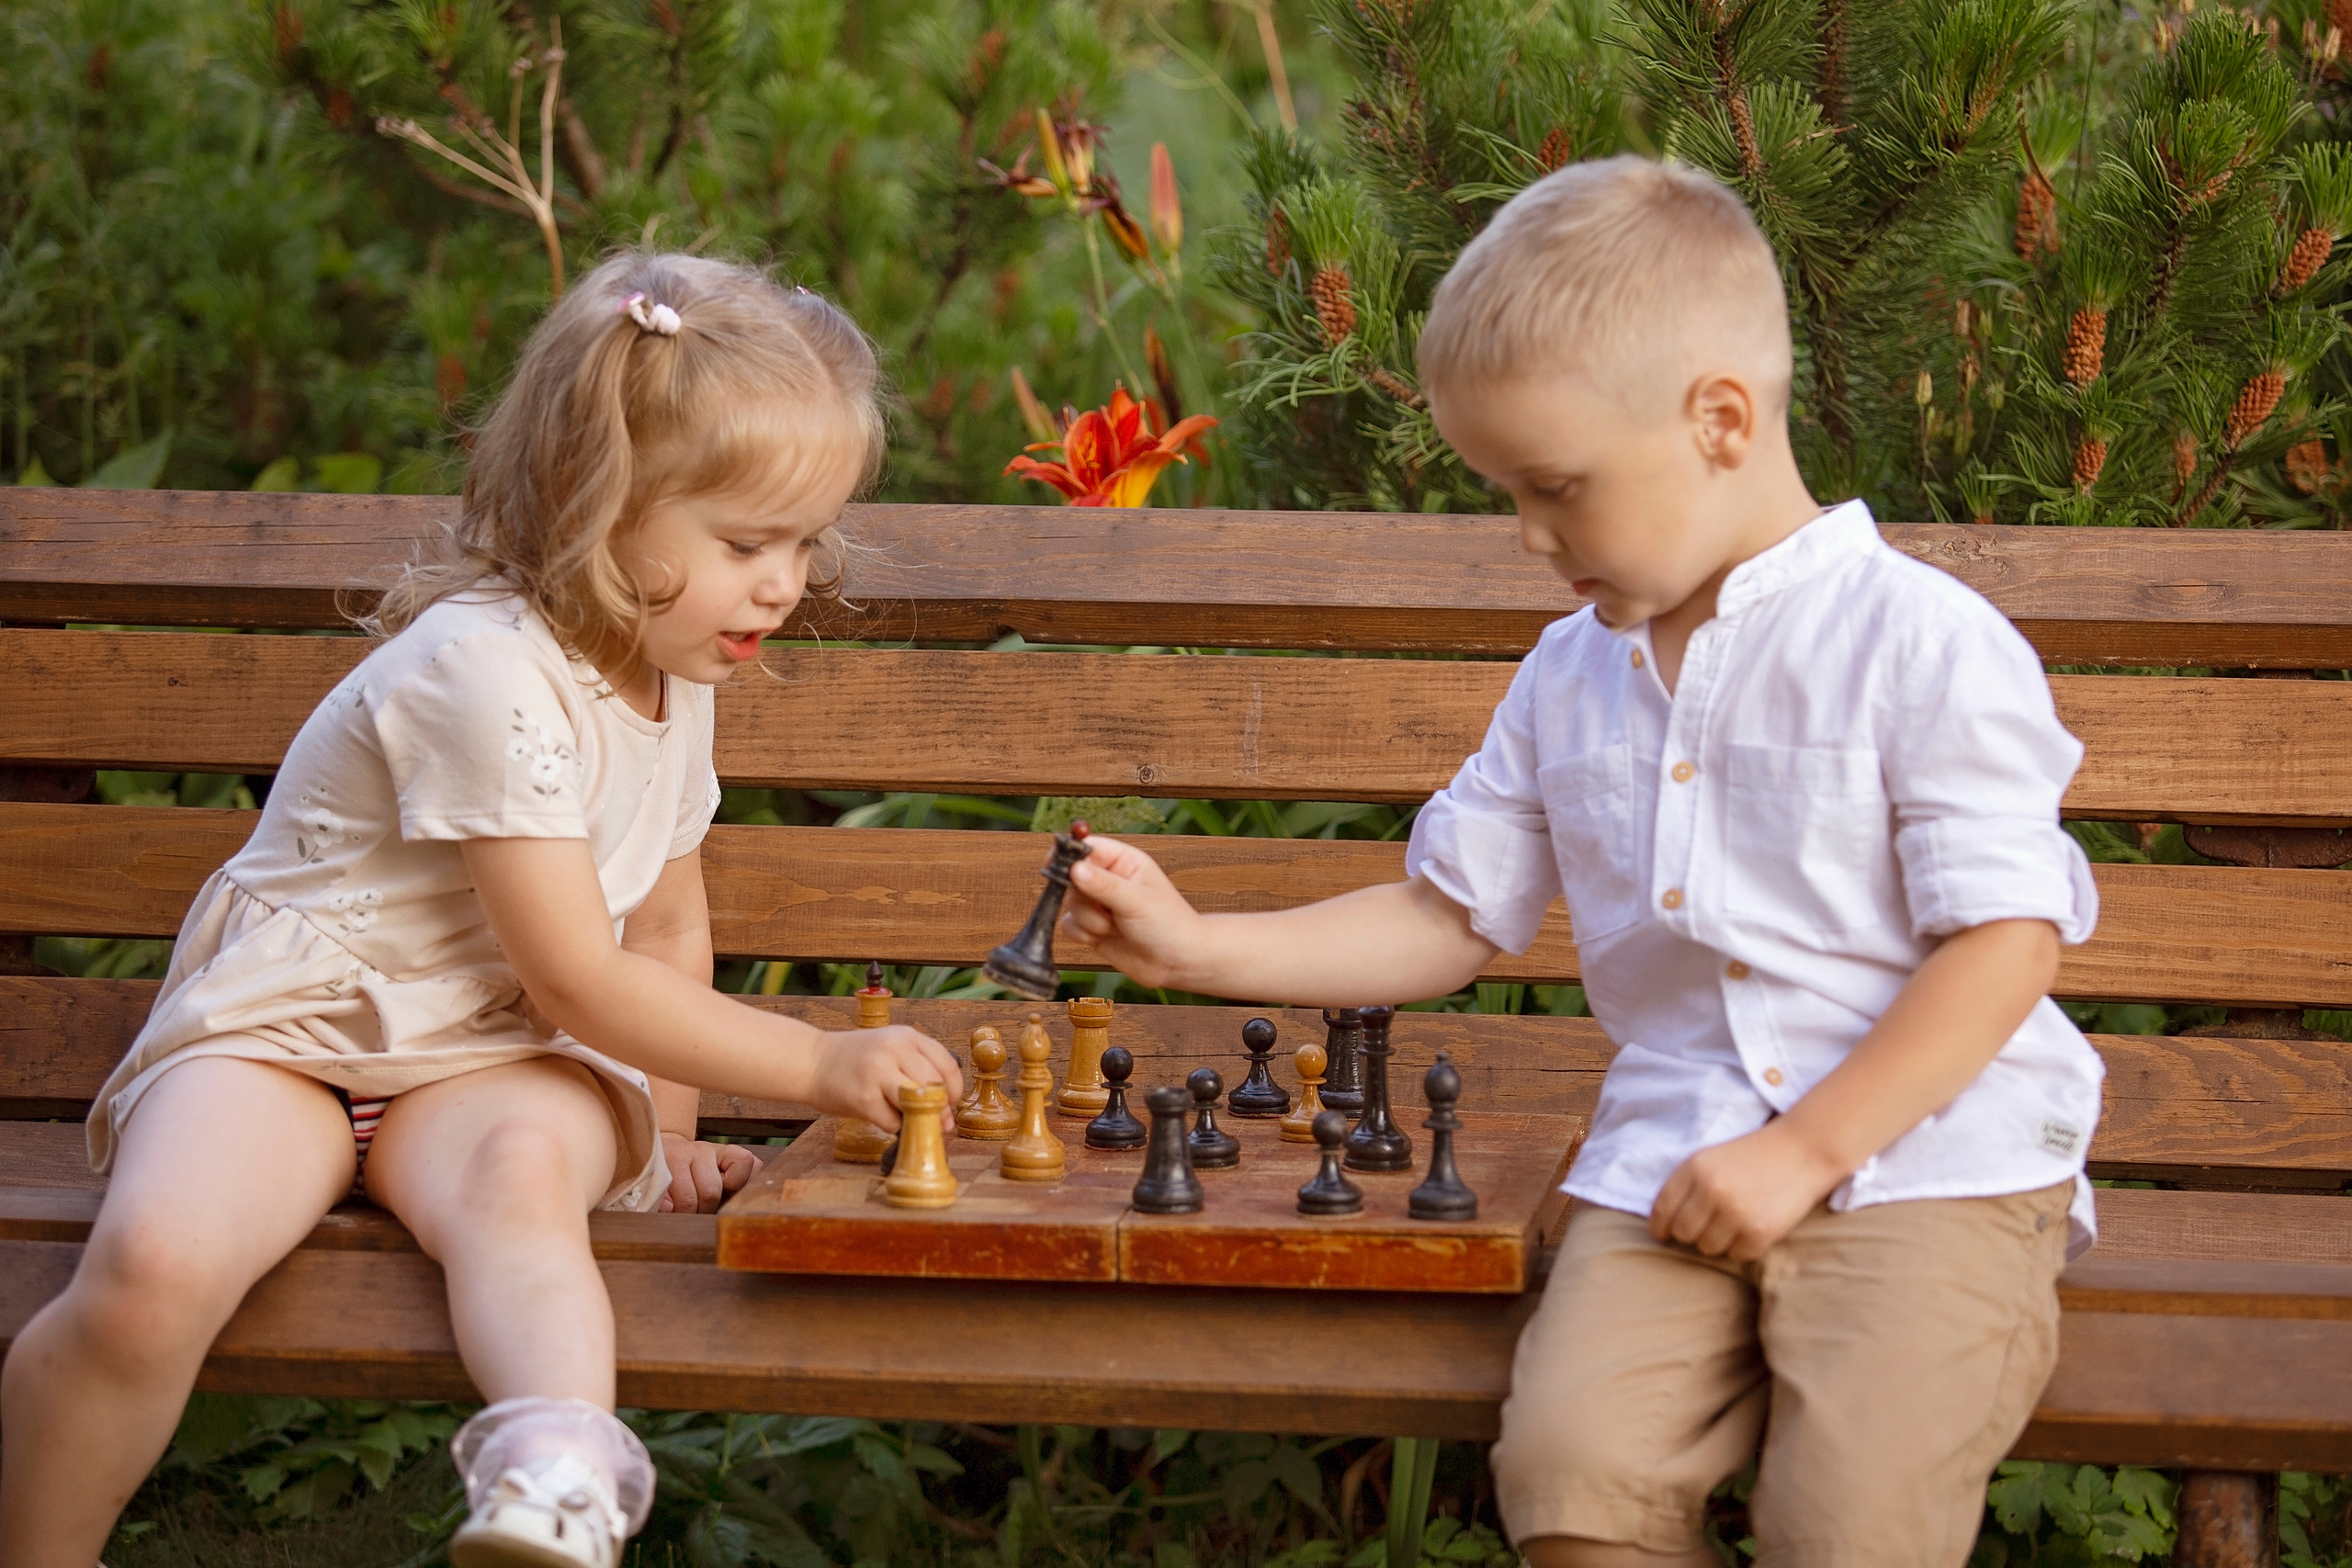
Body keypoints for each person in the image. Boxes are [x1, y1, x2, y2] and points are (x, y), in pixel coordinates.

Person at [1059, 155, 2102, 1568]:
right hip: (1677, 1155)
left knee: (1848, 1520)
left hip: (1933, 1162)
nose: (1532, 539)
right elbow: (1445, 913)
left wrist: (1807, 1149)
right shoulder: (1570, 676)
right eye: (1509, 495)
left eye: (1556, 488)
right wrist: (1195, 947)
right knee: (1569, 1472)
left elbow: (2007, 946)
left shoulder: (1923, 645)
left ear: (1720, 419)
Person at [0, 253, 961, 1568]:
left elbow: (665, 930)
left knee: (521, 1178)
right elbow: (578, 973)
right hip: (294, 1028)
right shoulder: (482, 671)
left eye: (805, 542)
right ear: (594, 500)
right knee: (156, 1265)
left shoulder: (679, 684)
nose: (785, 584)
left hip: (493, 1060)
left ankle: (555, 1474)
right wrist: (814, 1060)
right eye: (745, 544)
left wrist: (668, 1136)